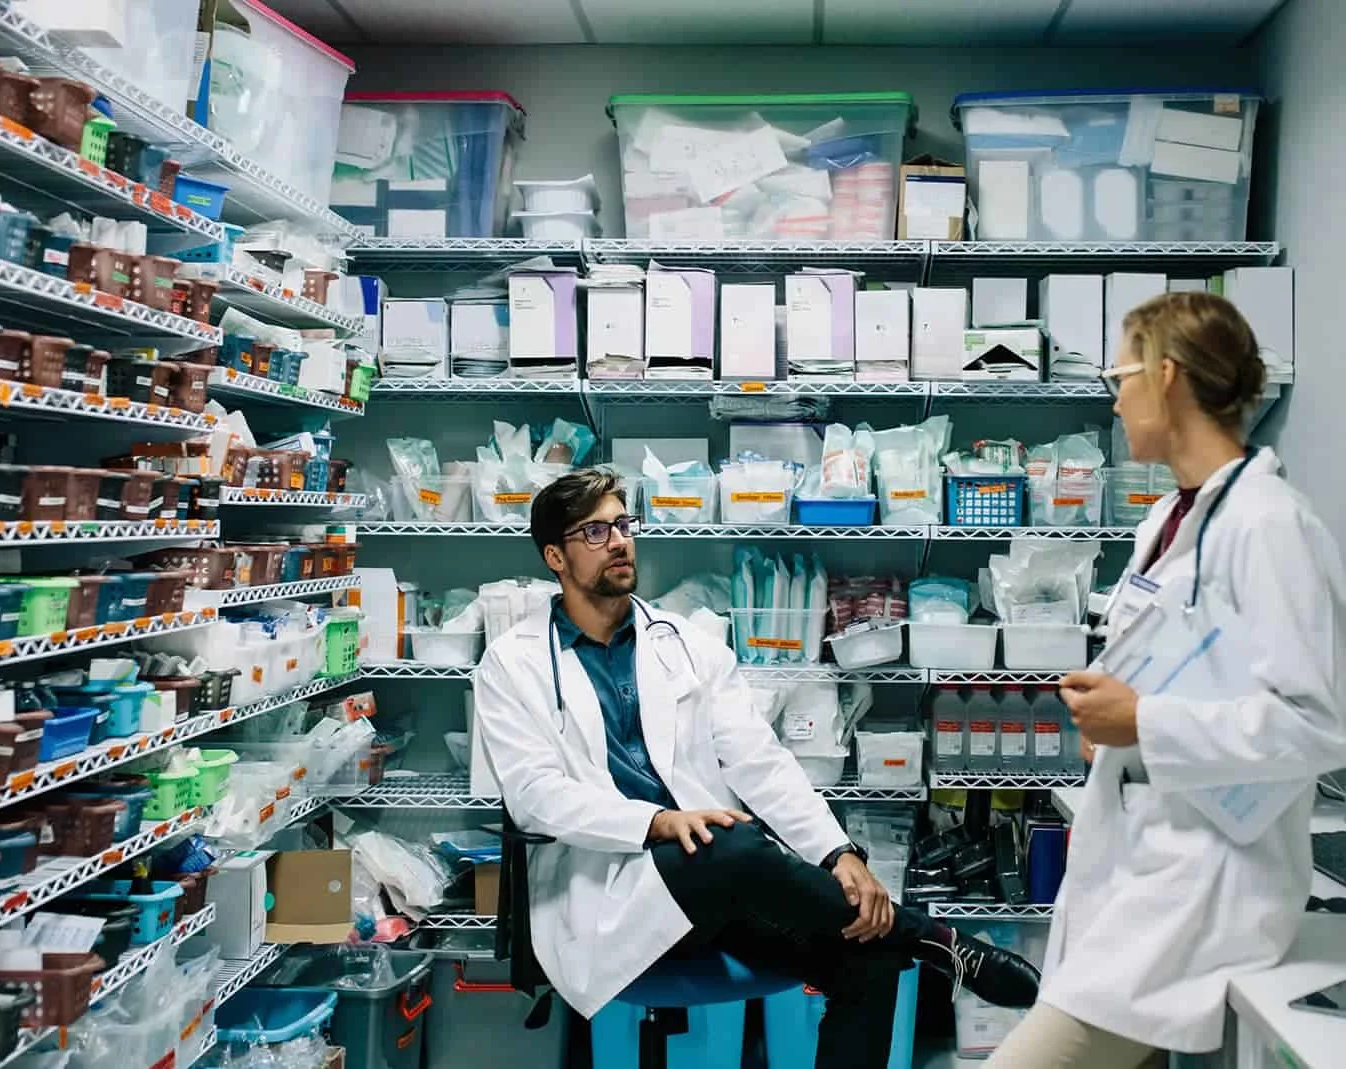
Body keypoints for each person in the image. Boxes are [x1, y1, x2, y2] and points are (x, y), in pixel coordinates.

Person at [473, 468, 1040, 1068]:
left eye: (621, 524)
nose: (618, 541)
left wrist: (838, 854)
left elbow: (761, 761)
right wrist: (658, 823)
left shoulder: (687, 643)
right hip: (604, 885)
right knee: (731, 841)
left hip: (718, 884)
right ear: (555, 556)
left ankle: (910, 939)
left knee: (869, 955)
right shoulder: (513, 664)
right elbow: (535, 794)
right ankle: (934, 938)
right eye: (594, 532)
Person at [986, 291, 1346, 1068]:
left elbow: (1315, 722)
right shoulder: (1168, 519)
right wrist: (1110, 713)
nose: (1115, 400)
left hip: (1211, 877)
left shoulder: (1269, 525)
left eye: (1122, 375)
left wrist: (1143, 723)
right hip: (1148, 852)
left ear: (1168, 375)